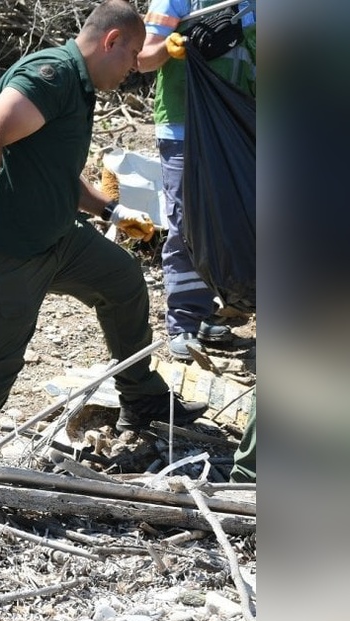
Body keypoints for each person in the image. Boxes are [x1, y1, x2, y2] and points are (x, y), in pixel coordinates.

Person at [0, 0, 208, 473]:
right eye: (131, 56)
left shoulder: (80, 85)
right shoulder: (52, 76)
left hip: (55, 237)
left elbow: (55, 172)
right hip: (1, 250)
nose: (133, 70)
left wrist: (111, 209)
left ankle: (141, 399)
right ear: (111, 41)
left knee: (121, 281)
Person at [137, 0, 256, 361]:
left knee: (243, 219)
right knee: (189, 221)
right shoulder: (179, 1)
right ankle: (185, 322)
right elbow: (142, 57)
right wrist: (171, 49)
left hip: (241, 123)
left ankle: (219, 315)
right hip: (184, 125)